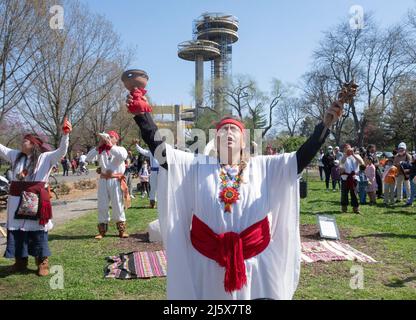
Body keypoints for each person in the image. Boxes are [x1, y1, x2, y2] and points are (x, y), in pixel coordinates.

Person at [128, 83, 343, 299]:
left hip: (255, 266)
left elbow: (300, 158)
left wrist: (323, 126)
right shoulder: (196, 166)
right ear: (215, 140)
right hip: (207, 266)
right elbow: (162, 153)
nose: (228, 132)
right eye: (223, 129)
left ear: (243, 142)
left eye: (234, 129)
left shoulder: (264, 166)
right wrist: (142, 116)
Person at [0, 118, 71, 276]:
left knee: (37, 231)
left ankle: (42, 263)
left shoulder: (46, 157)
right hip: (16, 200)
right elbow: (2, 149)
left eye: (25, 141)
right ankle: (20, 261)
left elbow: (62, 151)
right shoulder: (16, 155)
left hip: (36, 199)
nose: (22, 143)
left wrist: (65, 135)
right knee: (17, 231)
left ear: (33, 144)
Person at [85, 131, 130, 239]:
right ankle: (102, 230)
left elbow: (122, 156)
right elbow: (88, 158)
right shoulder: (101, 151)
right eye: (107, 137)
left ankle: (121, 230)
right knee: (102, 205)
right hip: (104, 180)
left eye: (111, 137)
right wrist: (98, 146)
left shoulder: (120, 149)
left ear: (116, 139)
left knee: (117, 204)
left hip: (115, 181)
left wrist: (110, 145)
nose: (108, 139)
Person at [134, 139, 159, 208]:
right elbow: (143, 151)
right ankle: (152, 203)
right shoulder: (151, 152)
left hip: (161, 171)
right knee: (153, 188)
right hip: (153, 171)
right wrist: (136, 145)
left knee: (161, 188)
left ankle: (162, 203)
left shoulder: (163, 151)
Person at [340, 144, 364, 213]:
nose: (348, 150)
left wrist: (353, 154)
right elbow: (342, 162)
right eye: (346, 149)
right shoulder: (343, 156)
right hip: (345, 177)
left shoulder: (356, 155)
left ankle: (356, 208)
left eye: (348, 148)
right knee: (344, 193)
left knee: (354, 193)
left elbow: (362, 163)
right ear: (344, 150)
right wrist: (346, 155)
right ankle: (344, 208)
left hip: (354, 177)